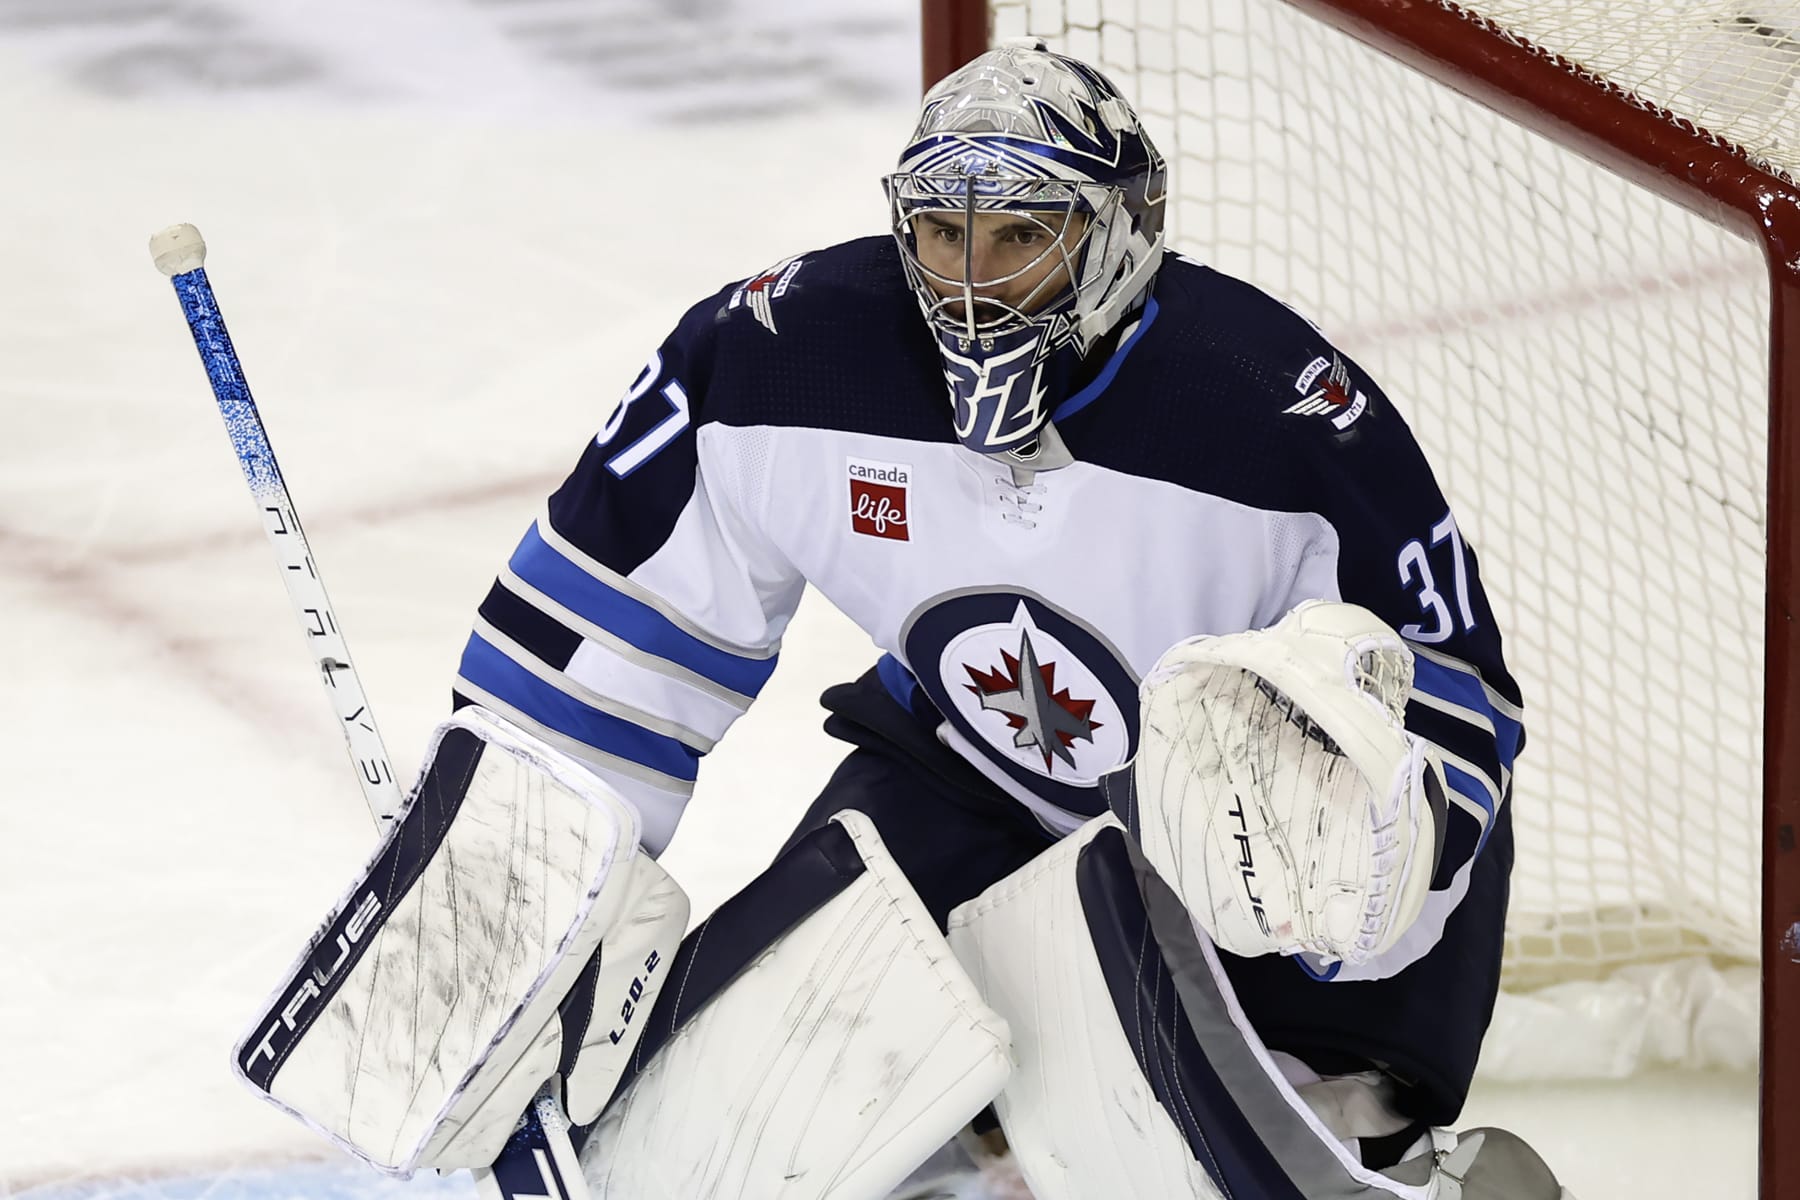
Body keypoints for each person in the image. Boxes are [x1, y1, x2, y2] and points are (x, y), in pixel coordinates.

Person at [451, 38, 1568, 1199]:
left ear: (1116, 233)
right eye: (943, 233)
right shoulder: (776, 364)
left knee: (1223, 1172)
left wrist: (1348, 880)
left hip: (1243, 866)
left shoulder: (1279, 421)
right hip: (963, 782)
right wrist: (505, 901)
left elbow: (1453, 706)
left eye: (1023, 236)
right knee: (715, 1140)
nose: (971, 281)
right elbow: (605, 642)